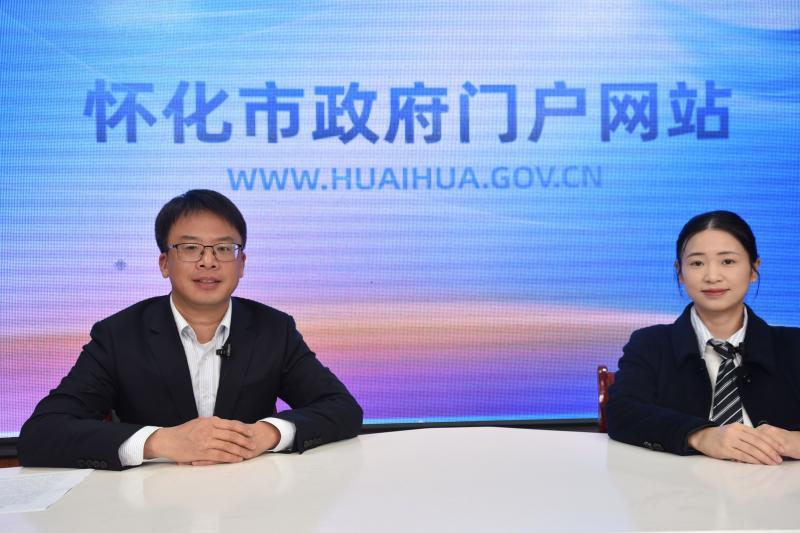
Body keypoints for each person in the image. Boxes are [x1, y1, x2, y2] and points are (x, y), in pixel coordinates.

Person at [18, 190, 363, 470]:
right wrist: (160, 441)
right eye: (190, 248)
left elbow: (342, 408)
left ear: (241, 264)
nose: (208, 261)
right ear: (164, 263)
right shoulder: (119, 335)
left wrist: (267, 434)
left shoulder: (274, 329)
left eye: (224, 248)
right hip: (150, 505)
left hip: (251, 500)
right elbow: (42, 433)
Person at [607, 210, 800, 464]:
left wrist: (794, 440)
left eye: (727, 261)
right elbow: (621, 412)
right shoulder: (650, 343)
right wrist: (700, 435)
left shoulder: (793, 346)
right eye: (697, 263)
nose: (712, 276)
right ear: (680, 272)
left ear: (754, 268)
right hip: (679, 486)